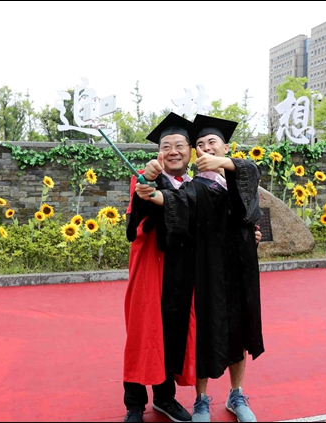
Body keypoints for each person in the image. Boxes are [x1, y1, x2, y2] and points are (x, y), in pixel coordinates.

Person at [135, 114, 264, 422]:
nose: (206, 147)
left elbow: (250, 182)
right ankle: (201, 399)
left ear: (225, 147)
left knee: (238, 330)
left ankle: (236, 394)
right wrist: (151, 194)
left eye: (212, 142)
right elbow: (178, 201)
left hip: (239, 270)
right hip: (207, 269)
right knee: (205, 330)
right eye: (201, 144)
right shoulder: (197, 186)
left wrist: (253, 235)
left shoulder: (239, 179)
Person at [122, 112, 196, 423]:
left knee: (172, 333)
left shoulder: (197, 185)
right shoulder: (143, 178)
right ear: (158, 153)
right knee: (144, 332)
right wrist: (148, 184)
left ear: (190, 151)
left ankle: (165, 398)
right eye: (166, 147)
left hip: (182, 271)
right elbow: (135, 220)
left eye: (180, 145)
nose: (173, 151)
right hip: (151, 267)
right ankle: (134, 405)